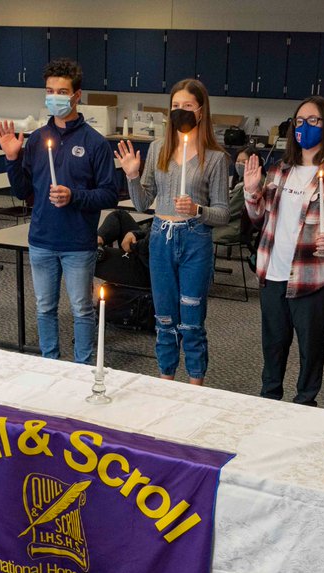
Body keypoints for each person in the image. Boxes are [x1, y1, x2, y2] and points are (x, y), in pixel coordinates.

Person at [0, 58, 118, 363]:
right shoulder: (36, 140)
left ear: (77, 95)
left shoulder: (96, 143)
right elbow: (22, 192)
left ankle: (83, 368)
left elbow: (109, 195)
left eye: (62, 91)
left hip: (78, 243)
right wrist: (12, 159)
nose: (55, 97)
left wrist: (73, 196)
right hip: (42, 241)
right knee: (45, 308)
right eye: (50, 90)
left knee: (81, 309)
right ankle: (49, 364)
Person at [243, 96, 324, 406]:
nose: (305, 127)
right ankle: (269, 399)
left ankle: (306, 403)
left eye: (313, 121)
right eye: (300, 121)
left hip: (313, 280)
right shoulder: (280, 170)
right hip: (273, 272)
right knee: (274, 344)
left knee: (310, 346)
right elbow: (257, 218)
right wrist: (252, 190)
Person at [117, 79, 230, 385]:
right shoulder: (157, 149)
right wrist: (132, 175)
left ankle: (195, 386)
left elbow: (223, 213)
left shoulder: (215, 158)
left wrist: (197, 210)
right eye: (176, 106)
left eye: (187, 106)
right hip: (160, 238)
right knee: (164, 319)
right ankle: (165, 381)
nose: (180, 111)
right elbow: (142, 203)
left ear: (201, 111)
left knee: (192, 322)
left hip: (195, 240)